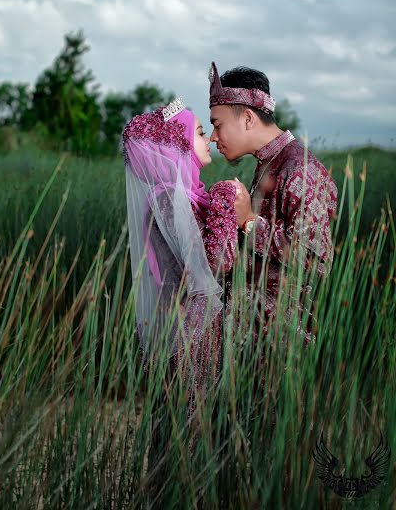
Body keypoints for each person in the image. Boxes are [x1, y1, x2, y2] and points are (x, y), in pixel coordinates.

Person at [208, 62, 338, 345]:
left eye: (218, 125)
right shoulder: (267, 163)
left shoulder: (301, 169)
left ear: (247, 118)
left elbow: (315, 262)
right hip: (251, 338)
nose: (214, 137)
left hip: (281, 344)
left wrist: (249, 221)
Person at [123, 97, 238, 409]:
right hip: (188, 329)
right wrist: (227, 203)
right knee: (189, 420)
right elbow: (216, 263)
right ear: (178, 147)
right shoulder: (169, 200)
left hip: (191, 323)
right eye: (199, 133)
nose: (208, 140)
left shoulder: (185, 196)